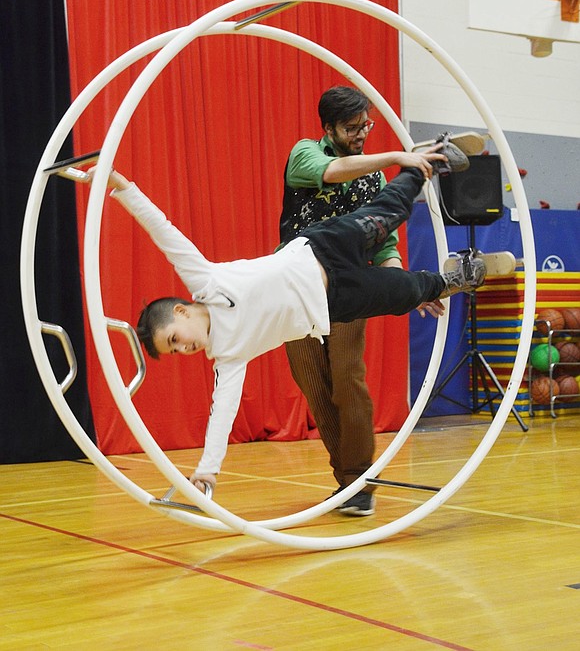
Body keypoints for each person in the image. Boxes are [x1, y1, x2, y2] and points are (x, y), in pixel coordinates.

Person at [88, 150, 485, 497]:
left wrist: (122, 187)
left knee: (388, 212)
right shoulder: (228, 356)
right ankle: (456, 277)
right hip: (332, 301)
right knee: (404, 292)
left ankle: (426, 159)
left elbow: (164, 233)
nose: (182, 349)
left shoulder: (205, 281)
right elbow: (221, 415)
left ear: (182, 311)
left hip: (324, 246)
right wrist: (206, 473)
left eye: (174, 339)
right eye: (173, 352)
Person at [279, 86, 443, 516]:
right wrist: (396, 158)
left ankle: (358, 481)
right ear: (328, 128)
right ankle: (347, 480)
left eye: (365, 125)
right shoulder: (304, 154)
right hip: (296, 289)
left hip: (348, 289)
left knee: (348, 378)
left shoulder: (373, 178)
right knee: (315, 385)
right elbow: (332, 171)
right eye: (351, 128)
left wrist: (404, 290)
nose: (360, 134)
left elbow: (385, 242)